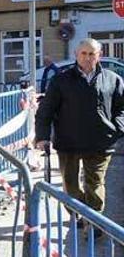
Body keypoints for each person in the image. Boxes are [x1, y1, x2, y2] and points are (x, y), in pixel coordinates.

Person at [35, 38, 124, 224]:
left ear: (99, 56)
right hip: (68, 143)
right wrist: (42, 137)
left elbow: (122, 108)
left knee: (95, 184)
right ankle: (81, 212)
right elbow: (46, 110)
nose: (87, 57)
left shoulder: (112, 79)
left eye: (92, 53)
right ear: (76, 55)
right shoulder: (61, 81)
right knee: (70, 188)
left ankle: (93, 224)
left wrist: (117, 128)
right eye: (83, 53)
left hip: (101, 142)